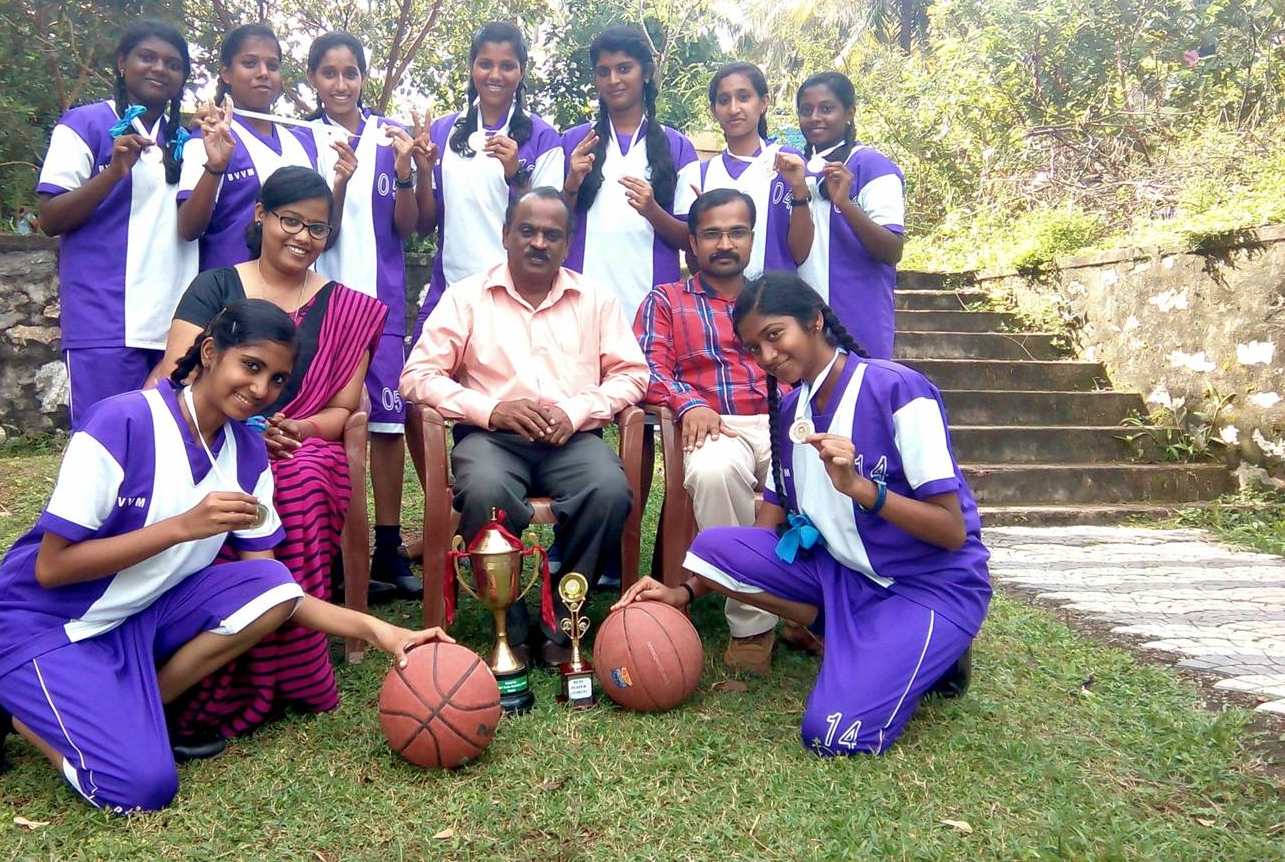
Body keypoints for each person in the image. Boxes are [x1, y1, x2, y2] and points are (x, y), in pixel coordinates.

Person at [0, 300, 449, 812]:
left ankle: (146, 710)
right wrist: (182, 527)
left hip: (132, 618)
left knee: (271, 583)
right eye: (251, 366)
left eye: (277, 379)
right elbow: (51, 569)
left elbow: (275, 591)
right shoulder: (121, 421)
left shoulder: (249, 454)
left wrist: (381, 632)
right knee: (139, 788)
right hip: (39, 624)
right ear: (210, 353)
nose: (260, 389)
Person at [617, 270, 987, 757]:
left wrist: (862, 490)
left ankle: (929, 645)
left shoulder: (898, 390)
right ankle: (845, 629)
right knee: (713, 547)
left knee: (832, 735)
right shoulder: (792, 414)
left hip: (928, 584)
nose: (768, 357)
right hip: (848, 580)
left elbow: (951, 531)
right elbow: (761, 538)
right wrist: (684, 591)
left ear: (814, 321)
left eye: (775, 335)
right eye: (754, 348)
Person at [147, 166, 388, 736]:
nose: (303, 237)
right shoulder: (216, 287)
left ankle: (292, 670)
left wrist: (296, 430)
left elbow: (343, 411)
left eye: (318, 228)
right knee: (219, 489)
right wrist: (239, 433)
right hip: (210, 438)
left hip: (302, 446)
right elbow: (175, 378)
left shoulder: (347, 308)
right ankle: (214, 666)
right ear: (260, 216)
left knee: (298, 480)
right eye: (290, 220)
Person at [401, 188, 649, 667]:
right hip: (492, 440)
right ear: (506, 235)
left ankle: (562, 614)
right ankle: (509, 622)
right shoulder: (468, 297)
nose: (539, 243)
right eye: (528, 231)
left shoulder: (594, 298)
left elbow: (632, 374)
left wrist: (578, 410)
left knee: (609, 490)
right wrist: (490, 409)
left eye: (552, 235)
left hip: (572, 439)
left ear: (567, 244)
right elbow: (417, 376)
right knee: (484, 490)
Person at [635, 188, 787, 674]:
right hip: (716, 424)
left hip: (784, 421)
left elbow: (813, 362)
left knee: (835, 473)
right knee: (717, 471)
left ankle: (816, 605)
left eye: (736, 232)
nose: (725, 243)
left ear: (751, 239)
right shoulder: (667, 300)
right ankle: (753, 627)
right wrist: (688, 402)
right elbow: (643, 368)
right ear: (693, 244)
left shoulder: (776, 297)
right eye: (712, 234)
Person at [301, 31, 423, 597]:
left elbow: (408, 228)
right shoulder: (301, 140)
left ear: (364, 77)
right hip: (319, 307)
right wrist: (339, 184)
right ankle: (329, 551)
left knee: (387, 426)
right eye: (329, 73)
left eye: (351, 73)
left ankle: (388, 547)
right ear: (313, 81)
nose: (341, 84)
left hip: (381, 307)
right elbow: (310, 235)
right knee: (324, 426)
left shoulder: (389, 136)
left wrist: (403, 173)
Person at [36, 19, 198, 427]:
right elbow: (50, 218)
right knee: (104, 445)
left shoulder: (190, 138)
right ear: (123, 63)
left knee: (168, 445)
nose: (160, 69)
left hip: (178, 321)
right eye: (147, 57)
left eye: (173, 64)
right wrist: (112, 173)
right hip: (105, 320)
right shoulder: (85, 124)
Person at [414, 21, 565, 333]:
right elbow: (425, 225)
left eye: (507, 66)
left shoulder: (543, 137)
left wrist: (516, 173)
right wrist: (424, 171)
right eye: (485, 64)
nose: (495, 75)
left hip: (515, 297)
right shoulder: (443, 131)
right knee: (423, 377)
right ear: (472, 67)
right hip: (451, 289)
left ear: (522, 71)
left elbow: (549, 223)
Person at [561, 25, 700, 325]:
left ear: (646, 73)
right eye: (603, 71)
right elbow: (549, 225)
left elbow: (692, 239)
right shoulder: (573, 142)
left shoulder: (678, 147)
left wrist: (652, 211)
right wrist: (572, 183)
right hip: (579, 306)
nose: (613, 80)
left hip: (653, 308)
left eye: (624, 68)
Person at [178, 24, 316, 271]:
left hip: (297, 297)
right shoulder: (209, 135)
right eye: (250, 63)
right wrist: (215, 168)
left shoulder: (302, 142)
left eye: (272, 66)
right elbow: (188, 228)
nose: (263, 73)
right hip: (233, 297)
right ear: (226, 72)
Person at [794, 71, 905, 359]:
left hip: (859, 315)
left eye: (826, 108)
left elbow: (892, 249)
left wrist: (844, 202)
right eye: (806, 111)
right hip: (805, 318)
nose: (815, 117)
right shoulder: (798, 171)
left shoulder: (872, 165)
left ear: (850, 113)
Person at [686, 63, 812, 277]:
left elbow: (800, 254)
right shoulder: (697, 174)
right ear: (713, 110)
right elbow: (693, 256)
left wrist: (799, 190)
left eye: (744, 97)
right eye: (724, 100)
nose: (734, 109)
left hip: (774, 303)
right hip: (717, 305)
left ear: (763, 103)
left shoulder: (788, 164)